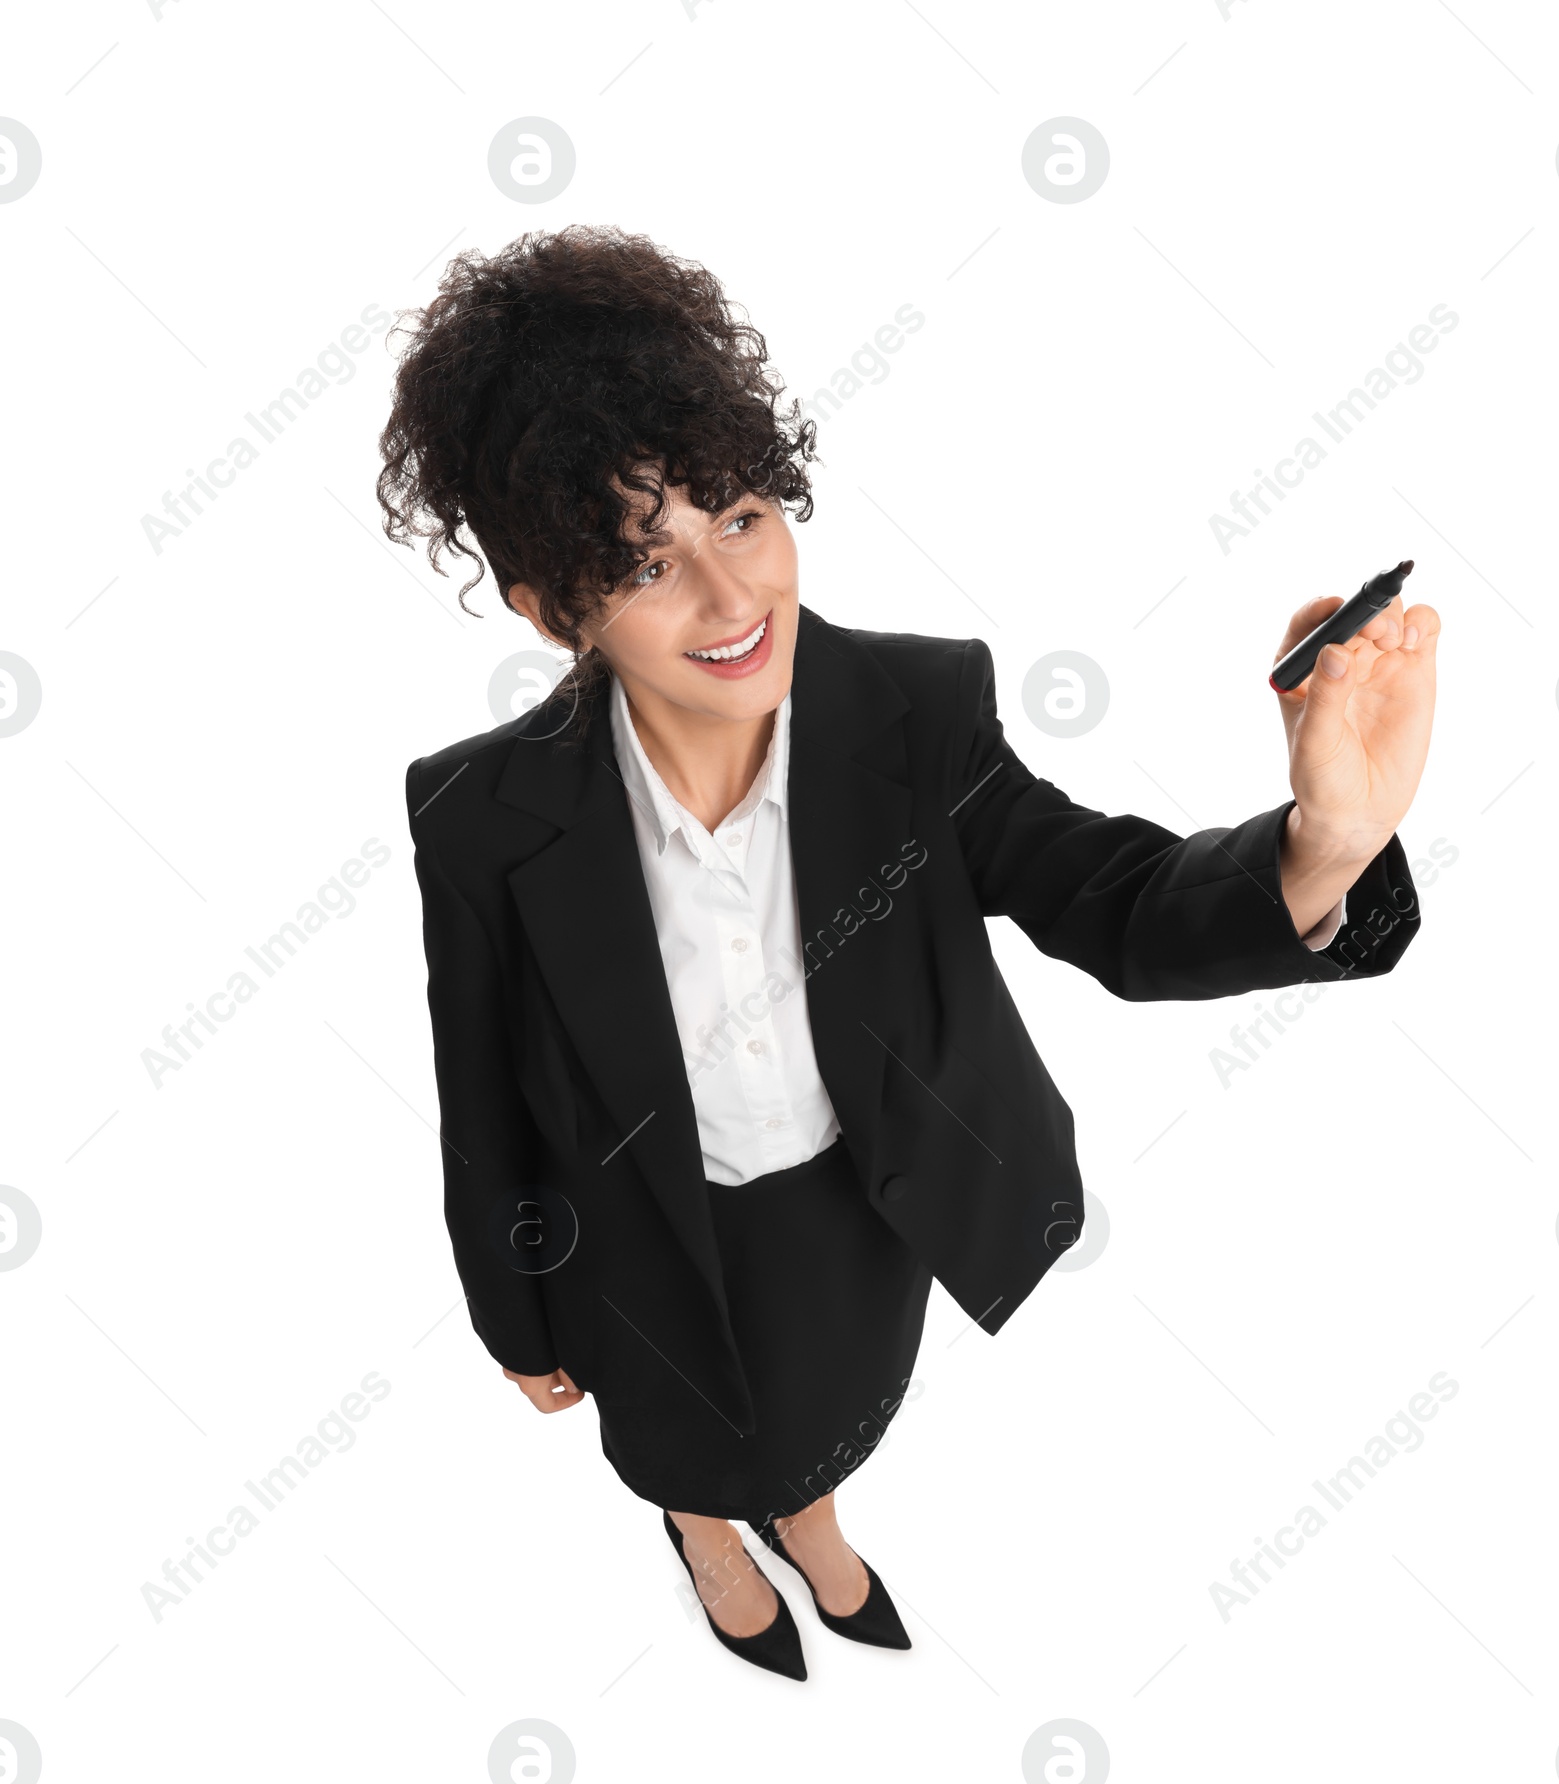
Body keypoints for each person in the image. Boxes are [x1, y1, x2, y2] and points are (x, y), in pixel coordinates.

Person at [378, 225, 1438, 1681]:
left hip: (850, 1206)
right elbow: (480, 1090)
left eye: (741, 516)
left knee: (817, 1407)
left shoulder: (918, 718)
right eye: (645, 561)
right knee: (689, 1432)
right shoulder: (478, 814)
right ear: (553, 605)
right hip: (637, 1242)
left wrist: (1325, 846)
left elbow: (1114, 899)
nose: (732, 596)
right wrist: (511, 1306)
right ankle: (700, 1529)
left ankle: (808, 1519)